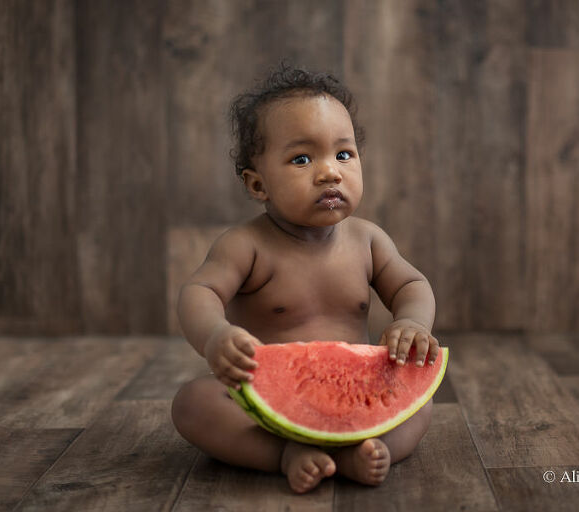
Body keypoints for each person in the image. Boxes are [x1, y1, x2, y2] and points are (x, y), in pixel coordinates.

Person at [171, 65, 440, 494]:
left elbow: (411, 285)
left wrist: (413, 322)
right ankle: (281, 453)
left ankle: (367, 448)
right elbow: (199, 292)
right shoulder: (246, 245)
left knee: (422, 404)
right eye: (302, 159)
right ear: (258, 184)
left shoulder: (368, 239)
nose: (330, 172)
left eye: (343, 154)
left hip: (359, 397)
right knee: (192, 403)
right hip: (267, 406)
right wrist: (215, 336)